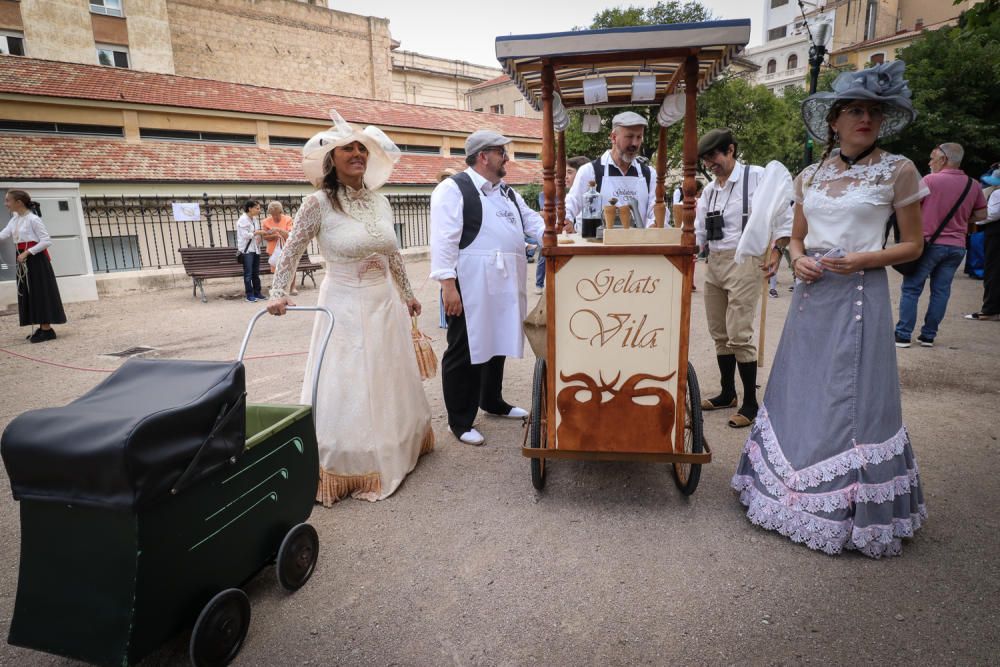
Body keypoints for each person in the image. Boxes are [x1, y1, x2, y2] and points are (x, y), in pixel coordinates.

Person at [732, 61, 928, 557]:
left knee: (852, 393)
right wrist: (798, 261)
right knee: (802, 385)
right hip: (813, 295)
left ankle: (848, 505)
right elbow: (796, 238)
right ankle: (785, 492)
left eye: (874, 113)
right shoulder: (811, 174)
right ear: (834, 121)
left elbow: (913, 245)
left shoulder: (898, 169)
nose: (867, 119)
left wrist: (865, 259)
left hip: (860, 295)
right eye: (856, 111)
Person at [266, 110, 433, 505]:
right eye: (348, 149)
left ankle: (399, 443)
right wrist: (278, 291)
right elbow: (291, 251)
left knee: (388, 376)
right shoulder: (317, 204)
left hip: (384, 304)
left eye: (362, 148)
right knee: (351, 382)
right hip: (343, 304)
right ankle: (354, 461)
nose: (357, 153)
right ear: (332, 160)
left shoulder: (381, 202)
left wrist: (407, 294)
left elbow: (392, 254)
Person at [430, 129, 545, 446]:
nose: (506, 158)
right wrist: (447, 285)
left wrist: (558, 236)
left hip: (504, 280)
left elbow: (533, 222)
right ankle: (460, 419)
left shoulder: (506, 192)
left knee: (497, 343)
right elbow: (443, 240)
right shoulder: (453, 189)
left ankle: (492, 401)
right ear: (483, 156)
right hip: (471, 279)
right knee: (464, 348)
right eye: (501, 152)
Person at [694, 128, 792, 428]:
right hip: (715, 262)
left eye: (714, 156)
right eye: (706, 159)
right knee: (719, 332)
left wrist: (777, 249)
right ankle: (727, 393)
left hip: (746, 260)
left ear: (731, 150)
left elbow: (784, 213)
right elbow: (700, 230)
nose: (710, 164)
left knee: (739, 332)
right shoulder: (709, 190)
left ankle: (750, 402)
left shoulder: (758, 177)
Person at [893, 143, 986, 347]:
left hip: (928, 243)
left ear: (943, 159)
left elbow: (911, 208)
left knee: (911, 289)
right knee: (941, 291)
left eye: (932, 158)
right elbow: (982, 215)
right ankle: (928, 335)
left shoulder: (930, 181)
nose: (929, 162)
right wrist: (961, 220)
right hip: (957, 246)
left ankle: (903, 334)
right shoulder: (973, 184)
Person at [565, 112, 658, 229]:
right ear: (613, 137)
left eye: (639, 137)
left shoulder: (649, 174)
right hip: (598, 245)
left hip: (637, 244)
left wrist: (655, 223)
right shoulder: (590, 171)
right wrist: (566, 220)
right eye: (629, 137)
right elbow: (571, 203)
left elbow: (655, 209)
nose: (635, 143)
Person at [1, 190, 66, 342]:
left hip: (36, 260)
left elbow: (46, 241)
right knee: (29, 293)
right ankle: (41, 327)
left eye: (8, 201)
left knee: (40, 292)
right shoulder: (15, 219)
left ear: (19, 202)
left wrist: (27, 252)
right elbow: (4, 234)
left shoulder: (33, 219)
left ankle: (47, 330)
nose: (6, 204)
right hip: (23, 259)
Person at [534, 155, 589, 295]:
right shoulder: (569, 198)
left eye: (570, 172)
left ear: (584, 174)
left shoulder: (592, 198)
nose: (565, 177)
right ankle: (539, 284)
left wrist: (574, 228)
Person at [966, 183, 1000, 320]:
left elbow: (991, 215)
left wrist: (971, 219)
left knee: (993, 271)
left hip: (996, 235)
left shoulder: (997, 193)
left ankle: (990, 310)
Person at [262, 200, 298, 295]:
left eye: (276, 214)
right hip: (273, 249)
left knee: (290, 267)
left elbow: (289, 235)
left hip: (287, 247)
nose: (275, 217)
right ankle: (279, 287)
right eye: (272, 214)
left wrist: (277, 230)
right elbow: (265, 237)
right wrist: (274, 236)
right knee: (277, 270)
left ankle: (292, 287)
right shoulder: (266, 222)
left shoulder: (288, 219)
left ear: (280, 212)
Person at [235, 200, 265, 302]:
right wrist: (257, 233)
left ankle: (257, 293)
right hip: (247, 250)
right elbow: (245, 235)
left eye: (259, 208)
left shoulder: (254, 219)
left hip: (255, 249)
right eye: (257, 208)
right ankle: (249, 295)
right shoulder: (243, 220)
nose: (259, 210)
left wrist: (259, 236)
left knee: (255, 273)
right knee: (248, 273)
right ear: (250, 208)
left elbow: (254, 234)